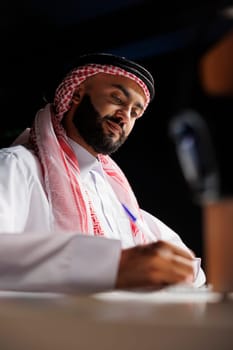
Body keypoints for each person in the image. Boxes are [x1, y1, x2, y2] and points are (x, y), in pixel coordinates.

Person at [0, 53, 205, 293]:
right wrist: (109, 265)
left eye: (135, 113)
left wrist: (177, 269)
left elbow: (191, 271)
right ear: (76, 94)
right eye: (117, 98)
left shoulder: (116, 198)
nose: (124, 116)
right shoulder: (16, 165)